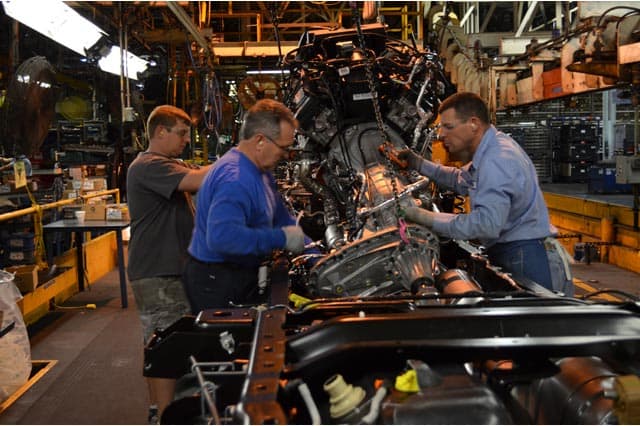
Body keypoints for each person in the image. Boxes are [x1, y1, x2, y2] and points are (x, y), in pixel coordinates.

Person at [397, 92, 556, 291]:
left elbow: (486, 225)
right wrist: (418, 163)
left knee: (528, 321)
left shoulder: (497, 159)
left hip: (523, 256)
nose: (441, 135)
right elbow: (459, 179)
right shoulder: (492, 148)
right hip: (514, 250)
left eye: (449, 127)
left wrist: (423, 217)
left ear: (473, 123)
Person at [126, 104, 212, 423]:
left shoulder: (168, 163)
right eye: (182, 133)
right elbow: (197, 180)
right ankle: (165, 417)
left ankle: (158, 410)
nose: (187, 139)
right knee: (166, 347)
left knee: (160, 342)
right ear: (160, 132)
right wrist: (241, 159)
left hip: (166, 270)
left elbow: (201, 171)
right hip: (157, 273)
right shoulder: (148, 165)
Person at [184, 98, 308, 312]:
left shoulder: (261, 172)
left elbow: (281, 218)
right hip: (217, 280)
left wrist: (315, 254)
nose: (286, 155)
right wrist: (281, 238)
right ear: (260, 141)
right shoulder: (236, 179)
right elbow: (222, 238)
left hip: (239, 271)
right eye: (283, 148)